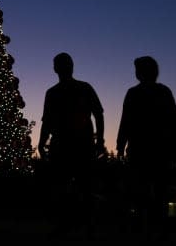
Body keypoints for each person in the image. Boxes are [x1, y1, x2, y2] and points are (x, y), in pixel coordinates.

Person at [38, 52, 105, 238]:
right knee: (72, 187)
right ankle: (79, 224)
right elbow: (47, 121)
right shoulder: (71, 90)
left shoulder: (57, 92)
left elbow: (98, 114)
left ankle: (78, 224)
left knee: (78, 187)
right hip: (70, 144)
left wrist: (42, 143)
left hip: (73, 144)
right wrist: (99, 140)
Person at [116, 55, 176, 238]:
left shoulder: (134, 93)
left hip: (141, 150)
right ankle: (160, 227)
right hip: (160, 150)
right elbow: (175, 120)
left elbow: (125, 121)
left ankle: (143, 228)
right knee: (159, 191)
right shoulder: (163, 92)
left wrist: (120, 145)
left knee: (141, 192)